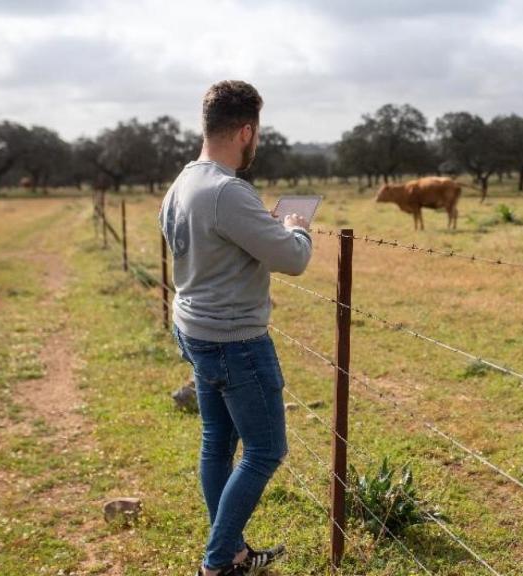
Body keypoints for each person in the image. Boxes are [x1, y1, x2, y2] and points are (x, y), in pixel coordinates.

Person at [159, 80, 312, 576]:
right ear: (246, 131)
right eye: (258, 132)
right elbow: (292, 258)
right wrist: (295, 227)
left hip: (195, 329)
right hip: (235, 341)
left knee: (217, 442)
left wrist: (258, 226)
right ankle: (218, 561)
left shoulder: (184, 181)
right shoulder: (228, 191)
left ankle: (235, 553)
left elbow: (207, 242)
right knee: (266, 448)